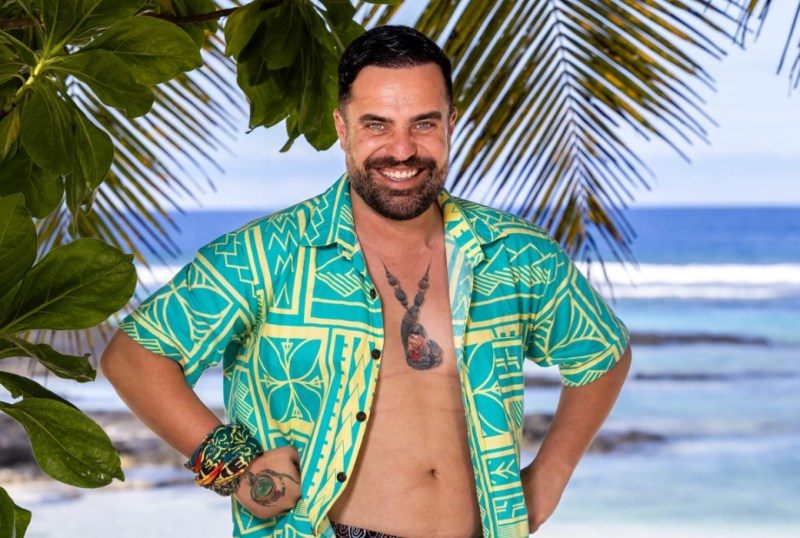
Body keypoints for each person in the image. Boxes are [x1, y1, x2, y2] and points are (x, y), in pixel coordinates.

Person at [101, 24, 631, 538]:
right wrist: (234, 468)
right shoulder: (269, 252)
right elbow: (135, 357)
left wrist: (552, 473)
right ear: (342, 128)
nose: (402, 150)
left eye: (424, 124)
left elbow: (603, 352)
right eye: (377, 125)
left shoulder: (513, 251)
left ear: (451, 124)